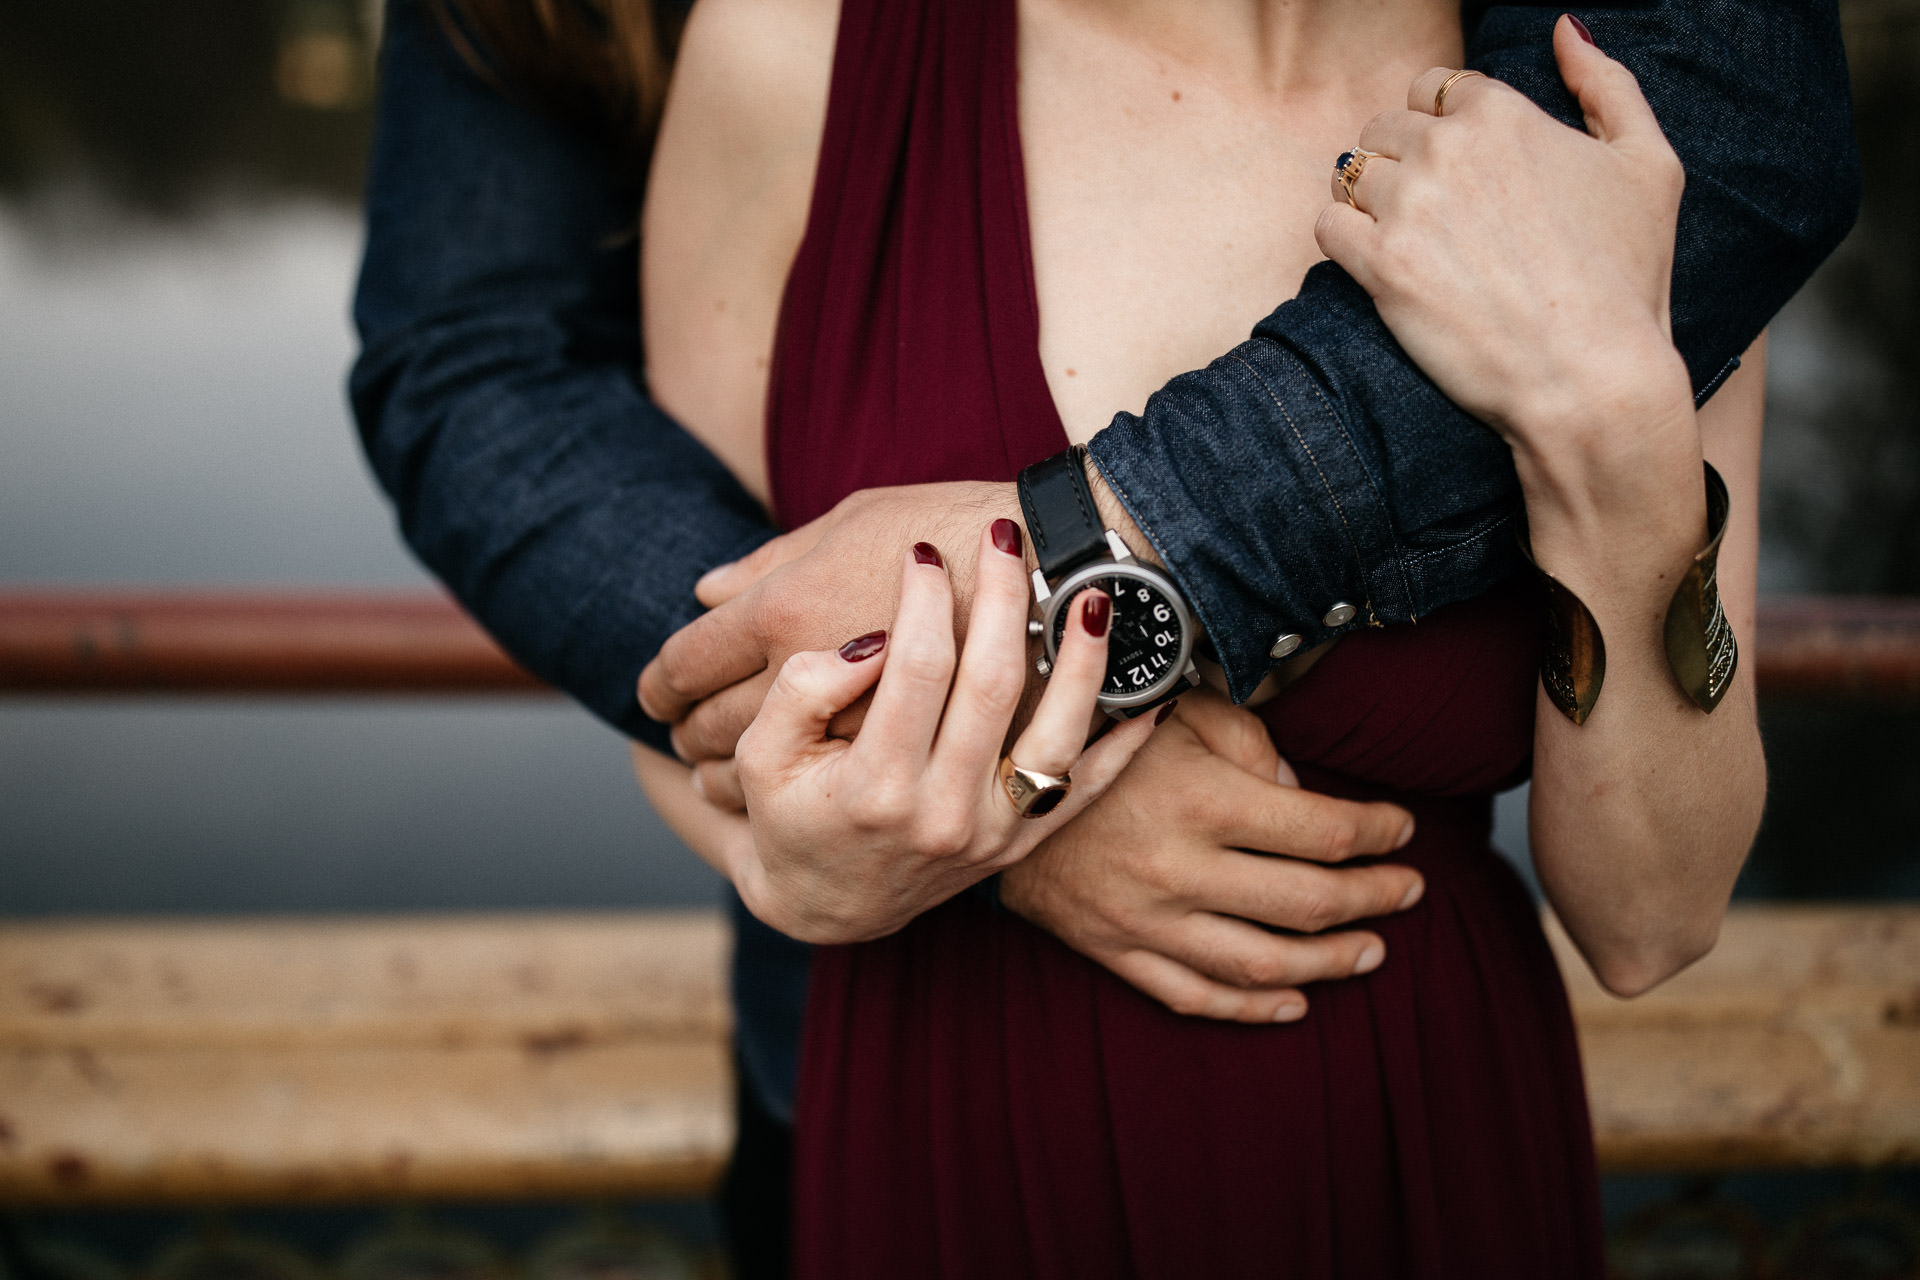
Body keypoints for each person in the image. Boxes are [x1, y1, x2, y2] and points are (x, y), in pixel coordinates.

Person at [348, 0, 1854, 1271]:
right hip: (936, 1128)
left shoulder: (1591, 138)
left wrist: (1615, 437)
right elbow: (715, 667)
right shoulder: (793, 52)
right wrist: (1017, 799)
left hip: (1421, 1149)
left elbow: (1656, 918)